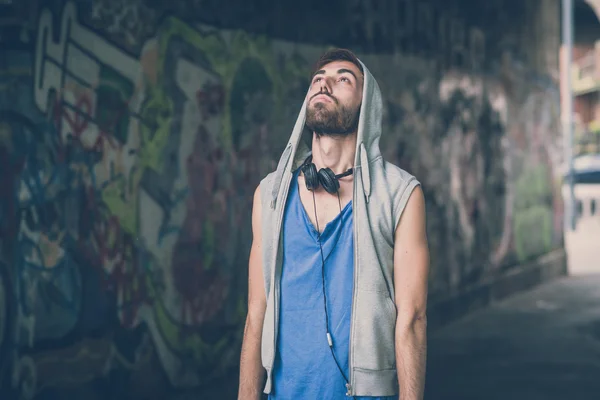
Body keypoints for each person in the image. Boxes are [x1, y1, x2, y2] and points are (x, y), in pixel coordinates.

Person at [238, 48, 429, 400]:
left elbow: (412, 319)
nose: (325, 83)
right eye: (318, 79)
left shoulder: (399, 195)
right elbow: (256, 315)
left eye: (343, 79)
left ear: (367, 104)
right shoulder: (270, 196)